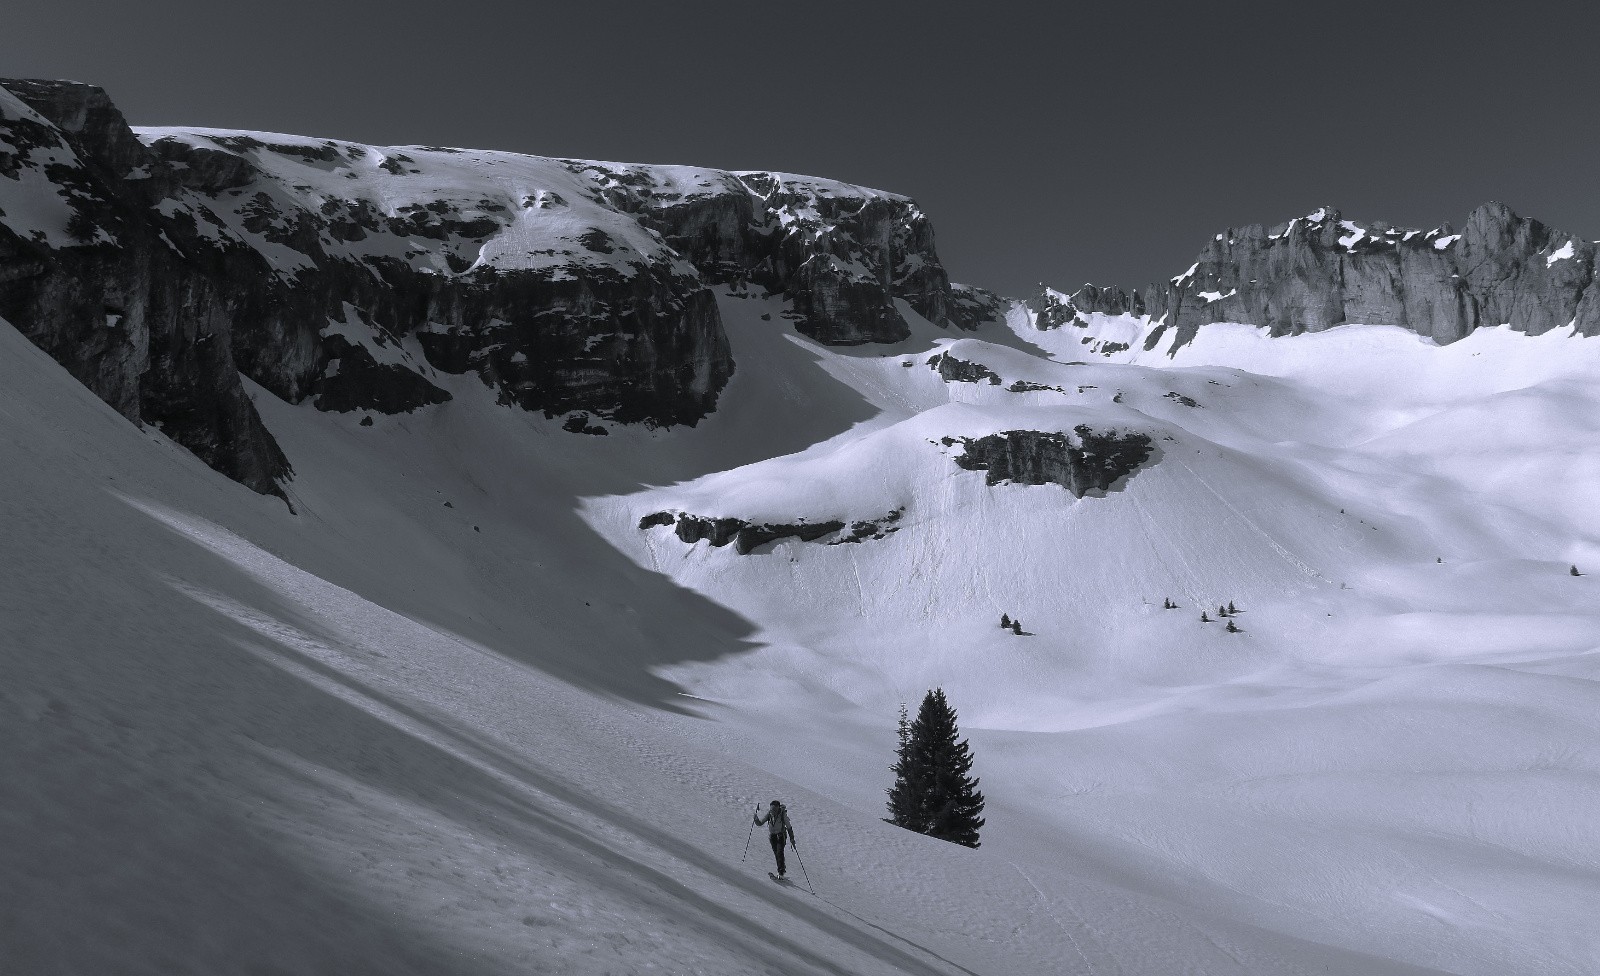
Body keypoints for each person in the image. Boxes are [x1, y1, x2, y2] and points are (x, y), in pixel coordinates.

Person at [754, 800, 796, 877]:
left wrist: (792, 839)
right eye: (771, 809)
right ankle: (781, 869)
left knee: (780, 852)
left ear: (778, 809)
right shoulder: (769, 814)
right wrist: (756, 819)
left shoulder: (783, 815)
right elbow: (760, 823)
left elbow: (789, 827)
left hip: (781, 836)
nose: (772, 811)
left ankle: (781, 872)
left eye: (774, 810)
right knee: (776, 853)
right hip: (772, 836)